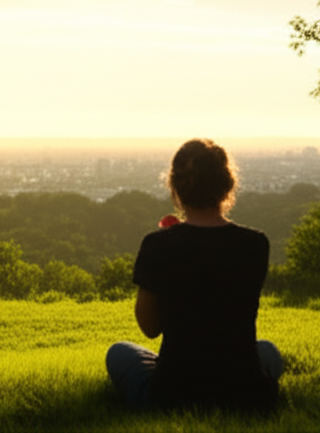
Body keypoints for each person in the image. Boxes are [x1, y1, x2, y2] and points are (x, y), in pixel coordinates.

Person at [106, 138, 283, 412]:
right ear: (227, 185)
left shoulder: (158, 245)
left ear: (175, 187)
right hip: (246, 392)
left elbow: (150, 328)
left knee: (119, 353)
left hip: (174, 394)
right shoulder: (256, 244)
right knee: (267, 351)